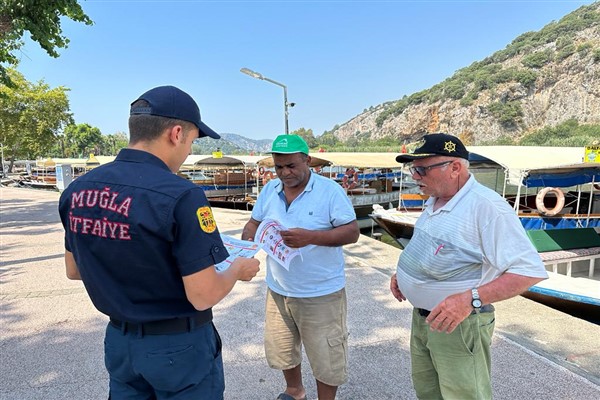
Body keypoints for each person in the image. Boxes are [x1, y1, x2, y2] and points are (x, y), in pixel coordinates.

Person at [58, 85, 260, 399]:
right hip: (178, 346)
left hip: (120, 344)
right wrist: (236, 270)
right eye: (192, 141)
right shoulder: (181, 195)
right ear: (176, 133)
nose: (189, 152)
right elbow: (203, 295)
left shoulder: (77, 190)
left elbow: (74, 269)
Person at [390, 133, 548, 400]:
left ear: (455, 168)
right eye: (413, 169)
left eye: (422, 169)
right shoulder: (435, 199)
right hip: (424, 318)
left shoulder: (486, 207)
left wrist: (469, 299)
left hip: (459, 323)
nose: (415, 176)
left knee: (464, 395)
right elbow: (436, 246)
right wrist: (406, 272)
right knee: (428, 391)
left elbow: (528, 271)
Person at [241, 134, 360, 400]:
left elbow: (352, 233)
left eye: (292, 166)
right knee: (282, 347)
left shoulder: (329, 191)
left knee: (326, 355)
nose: (285, 173)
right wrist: (246, 246)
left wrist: (310, 238)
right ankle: (295, 392)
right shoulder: (270, 190)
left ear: (307, 161)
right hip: (279, 289)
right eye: (278, 167)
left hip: (321, 292)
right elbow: (253, 223)